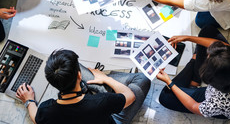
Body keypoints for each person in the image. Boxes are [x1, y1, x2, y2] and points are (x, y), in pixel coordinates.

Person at [16, 49, 151, 124]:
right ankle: (101, 84)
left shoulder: (47, 110)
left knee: (64, 64)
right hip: (110, 116)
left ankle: (95, 85)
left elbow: (37, 119)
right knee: (142, 79)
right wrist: (106, 78)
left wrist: (29, 101)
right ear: (79, 76)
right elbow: (130, 97)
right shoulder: (103, 101)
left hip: (89, 103)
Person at [156, 25, 230, 119]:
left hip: (223, 106)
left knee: (165, 96)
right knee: (207, 31)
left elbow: (194, 106)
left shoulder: (218, 101)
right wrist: (187, 38)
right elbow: (223, 47)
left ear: (212, 80)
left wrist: (169, 82)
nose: (206, 55)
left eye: (208, 61)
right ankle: (194, 76)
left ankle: (194, 68)